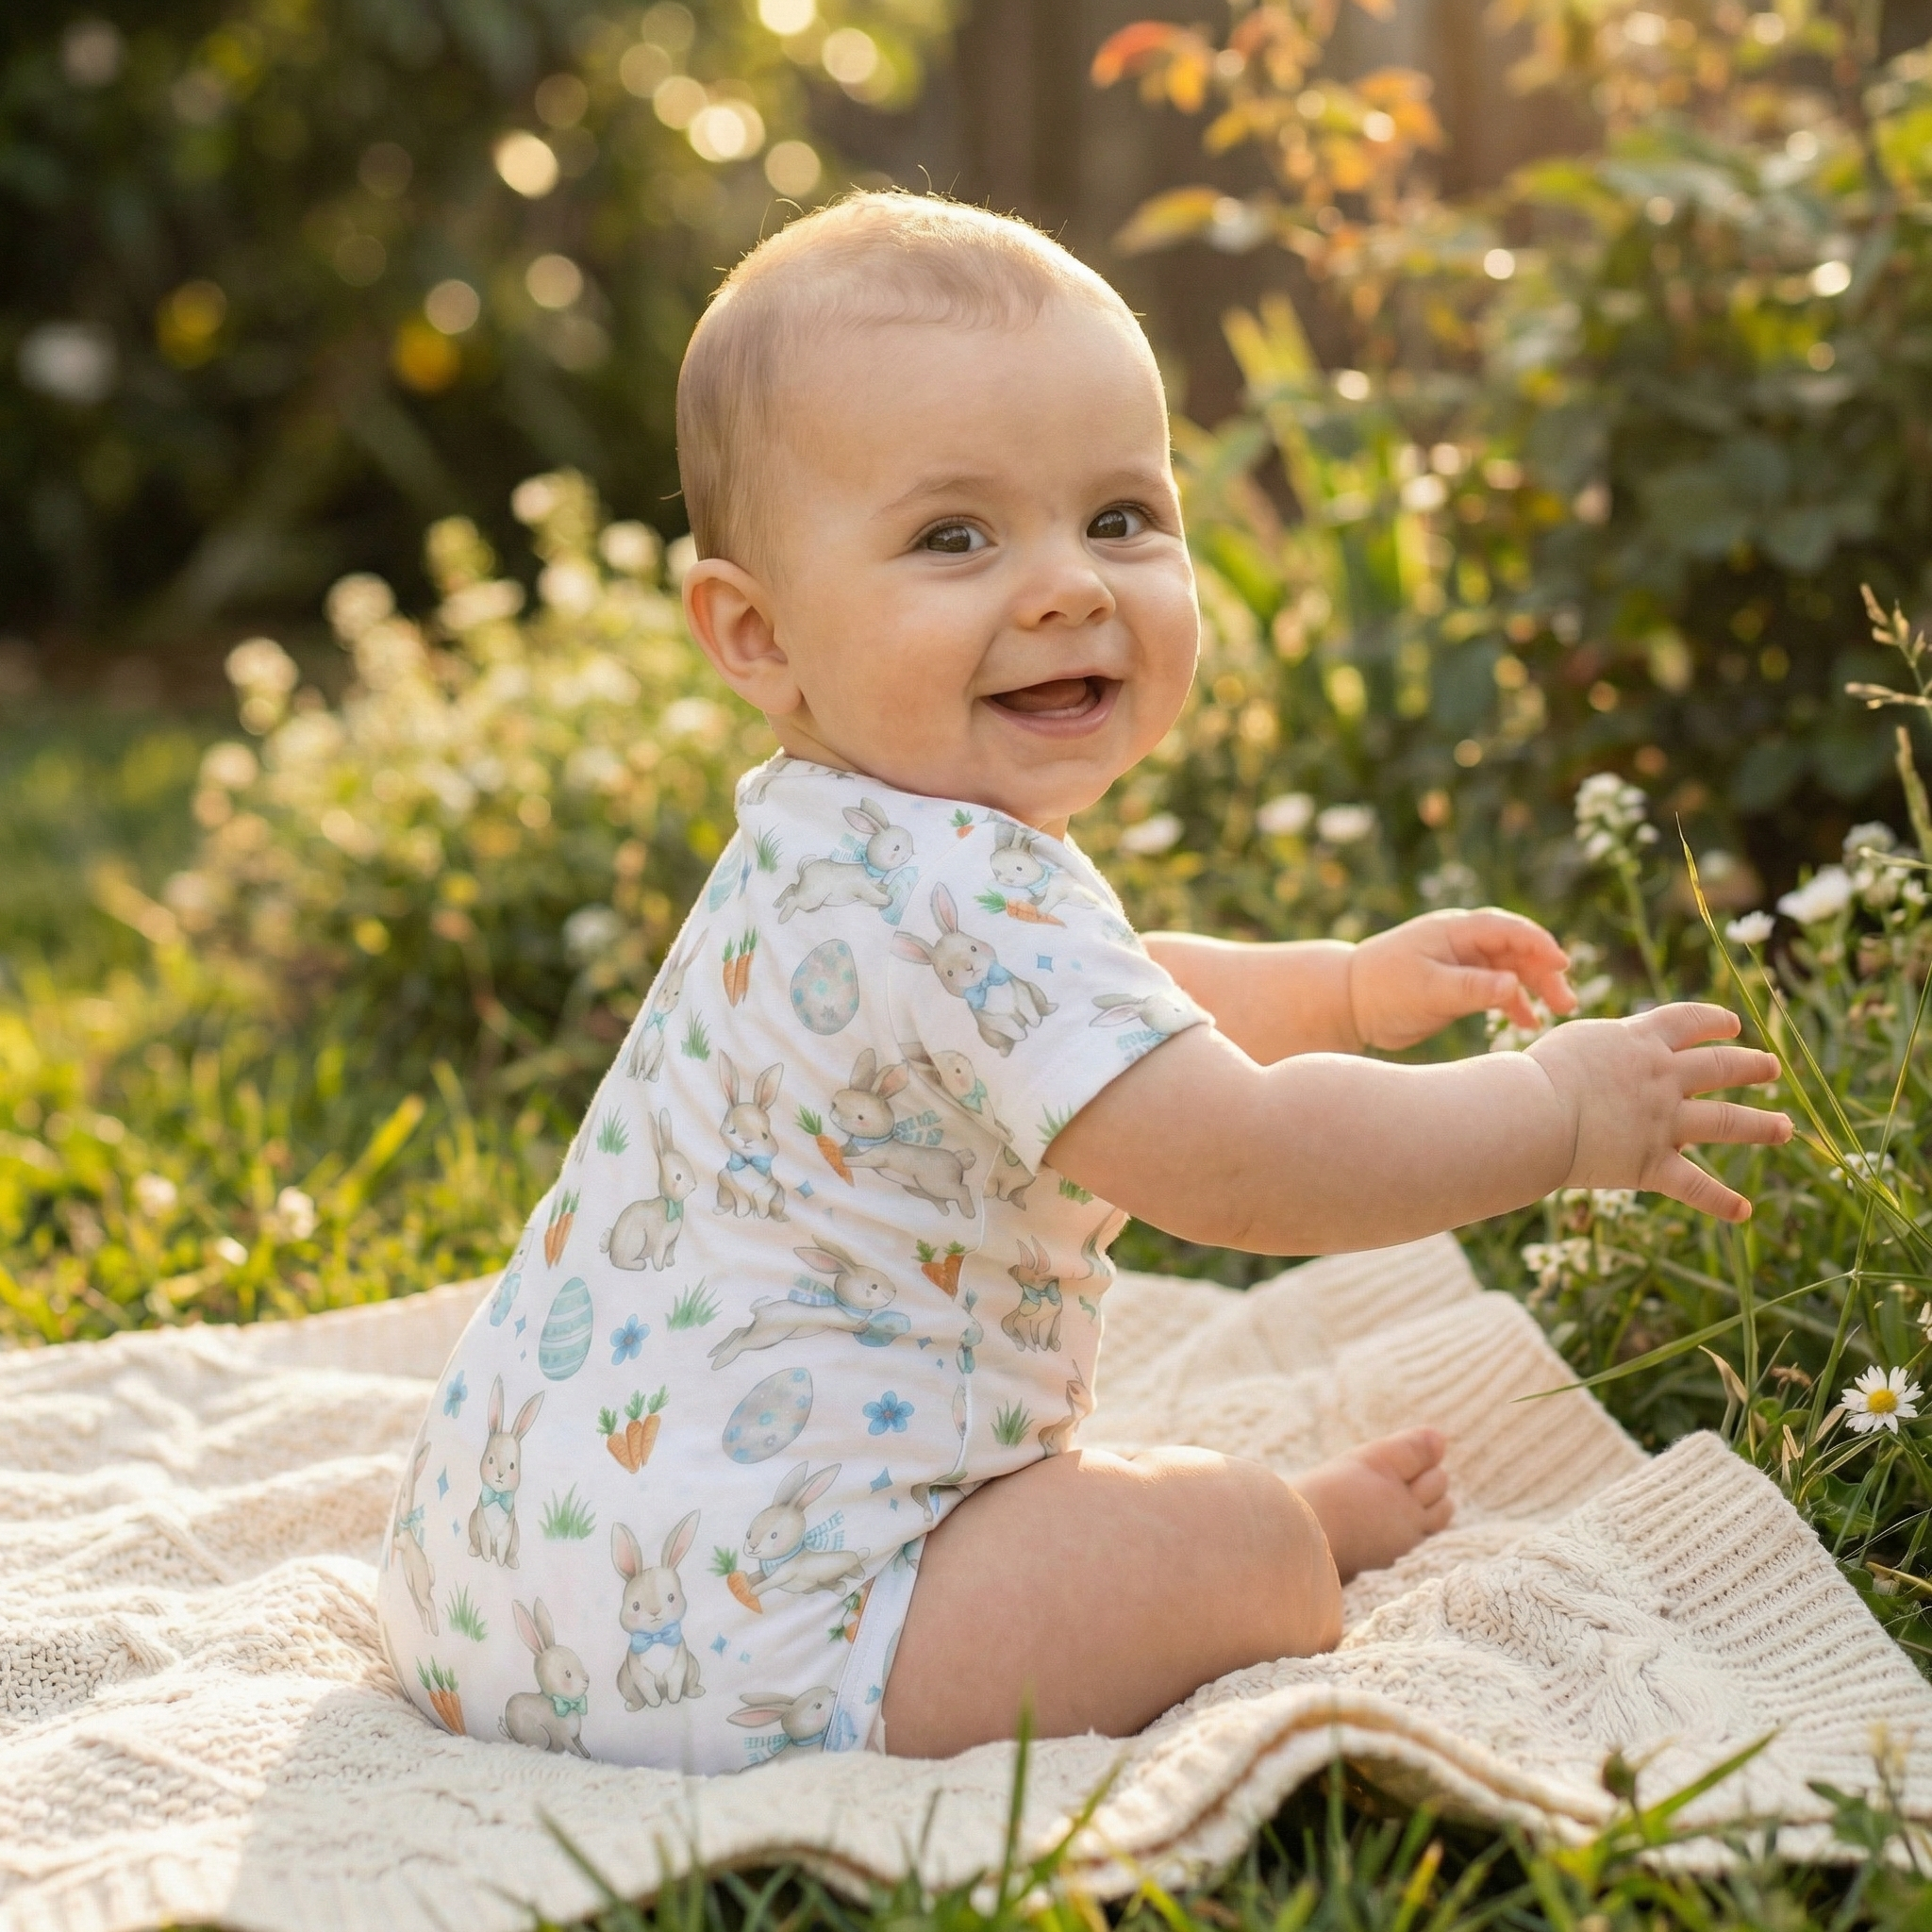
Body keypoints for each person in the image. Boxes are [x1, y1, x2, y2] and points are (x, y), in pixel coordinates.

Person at [375, 192, 1790, 1773]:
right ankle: (1296, 1535)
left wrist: (1332, 990)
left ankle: (1179, 1540)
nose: (1066, 586)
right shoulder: (962, 884)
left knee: (1122, 1513)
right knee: (1238, 1537)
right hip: (771, 1648)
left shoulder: (828, 834)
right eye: (955, 537)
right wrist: (1554, 1113)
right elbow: (1244, 1164)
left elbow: (1092, 1020)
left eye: (1119, 518)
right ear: (757, 634)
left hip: (489, 1587)